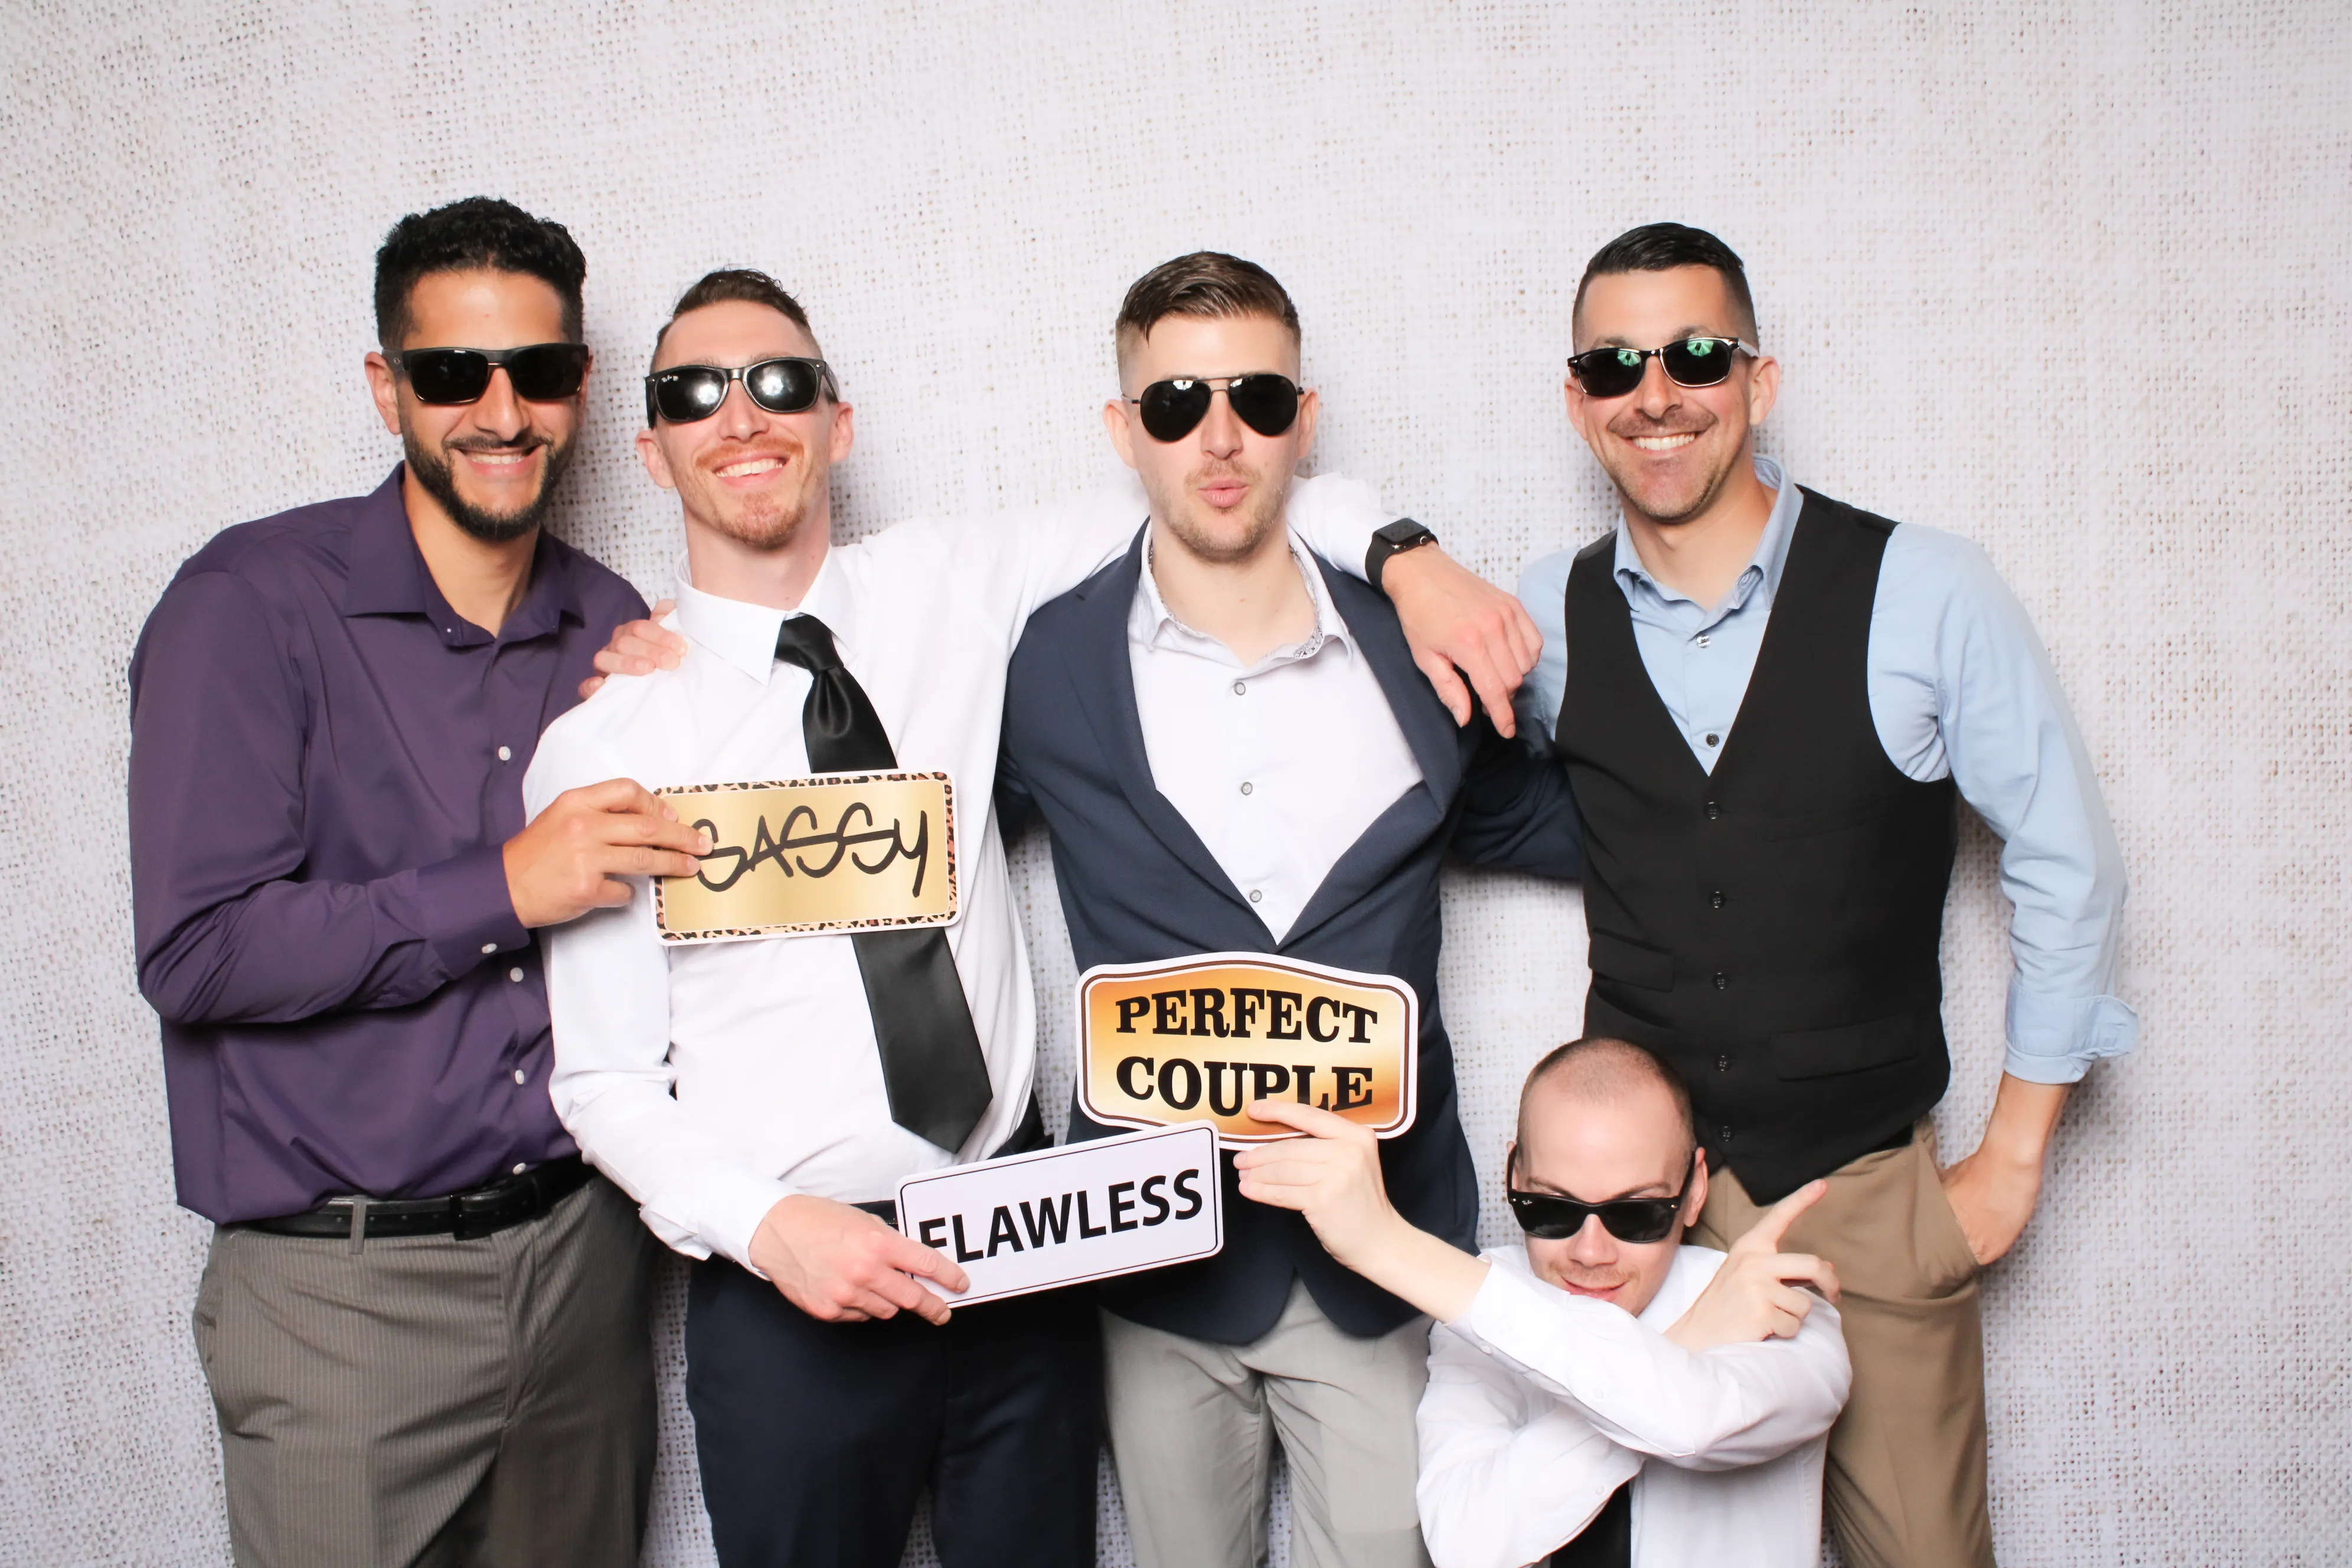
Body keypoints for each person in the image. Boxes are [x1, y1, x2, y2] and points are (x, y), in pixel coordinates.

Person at [529, 265, 1527, 1568]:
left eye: (779, 383)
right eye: (693, 394)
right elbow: (602, 1077)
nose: (742, 416)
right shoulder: (609, 741)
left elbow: (1217, 482)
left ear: (841, 420)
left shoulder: (953, 585)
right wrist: (770, 1225)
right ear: (651, 447)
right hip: (790, 1286)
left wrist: (1414, 557)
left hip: (1017, 1248)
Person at [1513, 222, 2137, 1568]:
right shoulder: (1544, 621)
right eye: (1615, 365)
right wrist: (1401, 557)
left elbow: (2067, 856)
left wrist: (2013, 1157)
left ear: (1759, 377)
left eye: (1694, 354)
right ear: (1579, 403)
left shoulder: (1925, 586)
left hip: (1863, 1190)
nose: (1656, 393)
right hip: (1638, 1216)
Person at [127, 197, 706, 1567]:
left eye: (541, 372)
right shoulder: (248, 606)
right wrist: (502, 883)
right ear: (389, 384)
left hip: (583, 1268)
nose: (501, 412)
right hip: (342, 1301)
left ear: (579, 386)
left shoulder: (607, 622)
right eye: (455, 373)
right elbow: (196, 950)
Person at [995, 252, 1584, 1568]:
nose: (1221, 434)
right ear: (1122, 431)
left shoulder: (1418, 647)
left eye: (1258, 398)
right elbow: (920, 837)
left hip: (1379, 1252)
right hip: (1154, 1256)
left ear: (1304, 423)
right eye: (1175, 403)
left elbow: (1577, 813)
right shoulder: (1042, 664)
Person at [1233, 1037, 1851, 1568]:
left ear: (1694, 1195)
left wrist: (1389, 1245)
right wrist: (1689, 1342)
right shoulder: (1482, 1303)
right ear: (1516, 1181)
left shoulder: (1782, 1307)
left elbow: (1691, 1423)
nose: (1589, 1252)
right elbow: (1470, 1542)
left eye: (1635, 1214)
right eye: (1552, 1208)